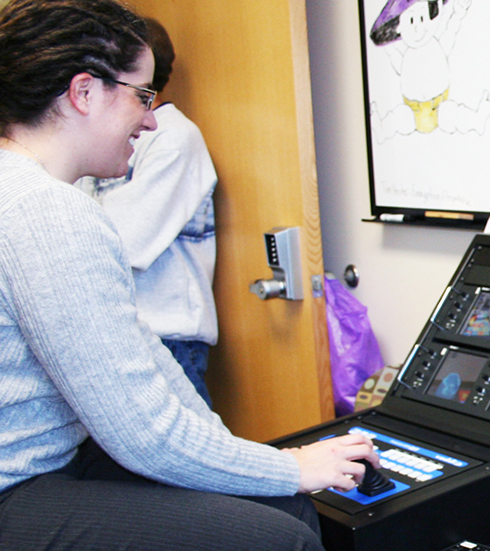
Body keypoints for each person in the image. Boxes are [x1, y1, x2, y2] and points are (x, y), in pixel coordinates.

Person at [0, 1, 378, 549]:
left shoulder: (35, 194)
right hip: (16, 486)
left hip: (46, 462)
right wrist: (289, 466)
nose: (151, 118)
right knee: (280, 539)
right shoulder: (45, 211)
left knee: (280, 503)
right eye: (142, 96)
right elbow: (141, 431)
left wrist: (255, 464)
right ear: (84, 92)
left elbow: (144, 354)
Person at [74, 16, 219, 406]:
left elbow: (125, 241)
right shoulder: (96, 139)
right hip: (118, 332)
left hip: (168, 337)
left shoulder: (174, 137)